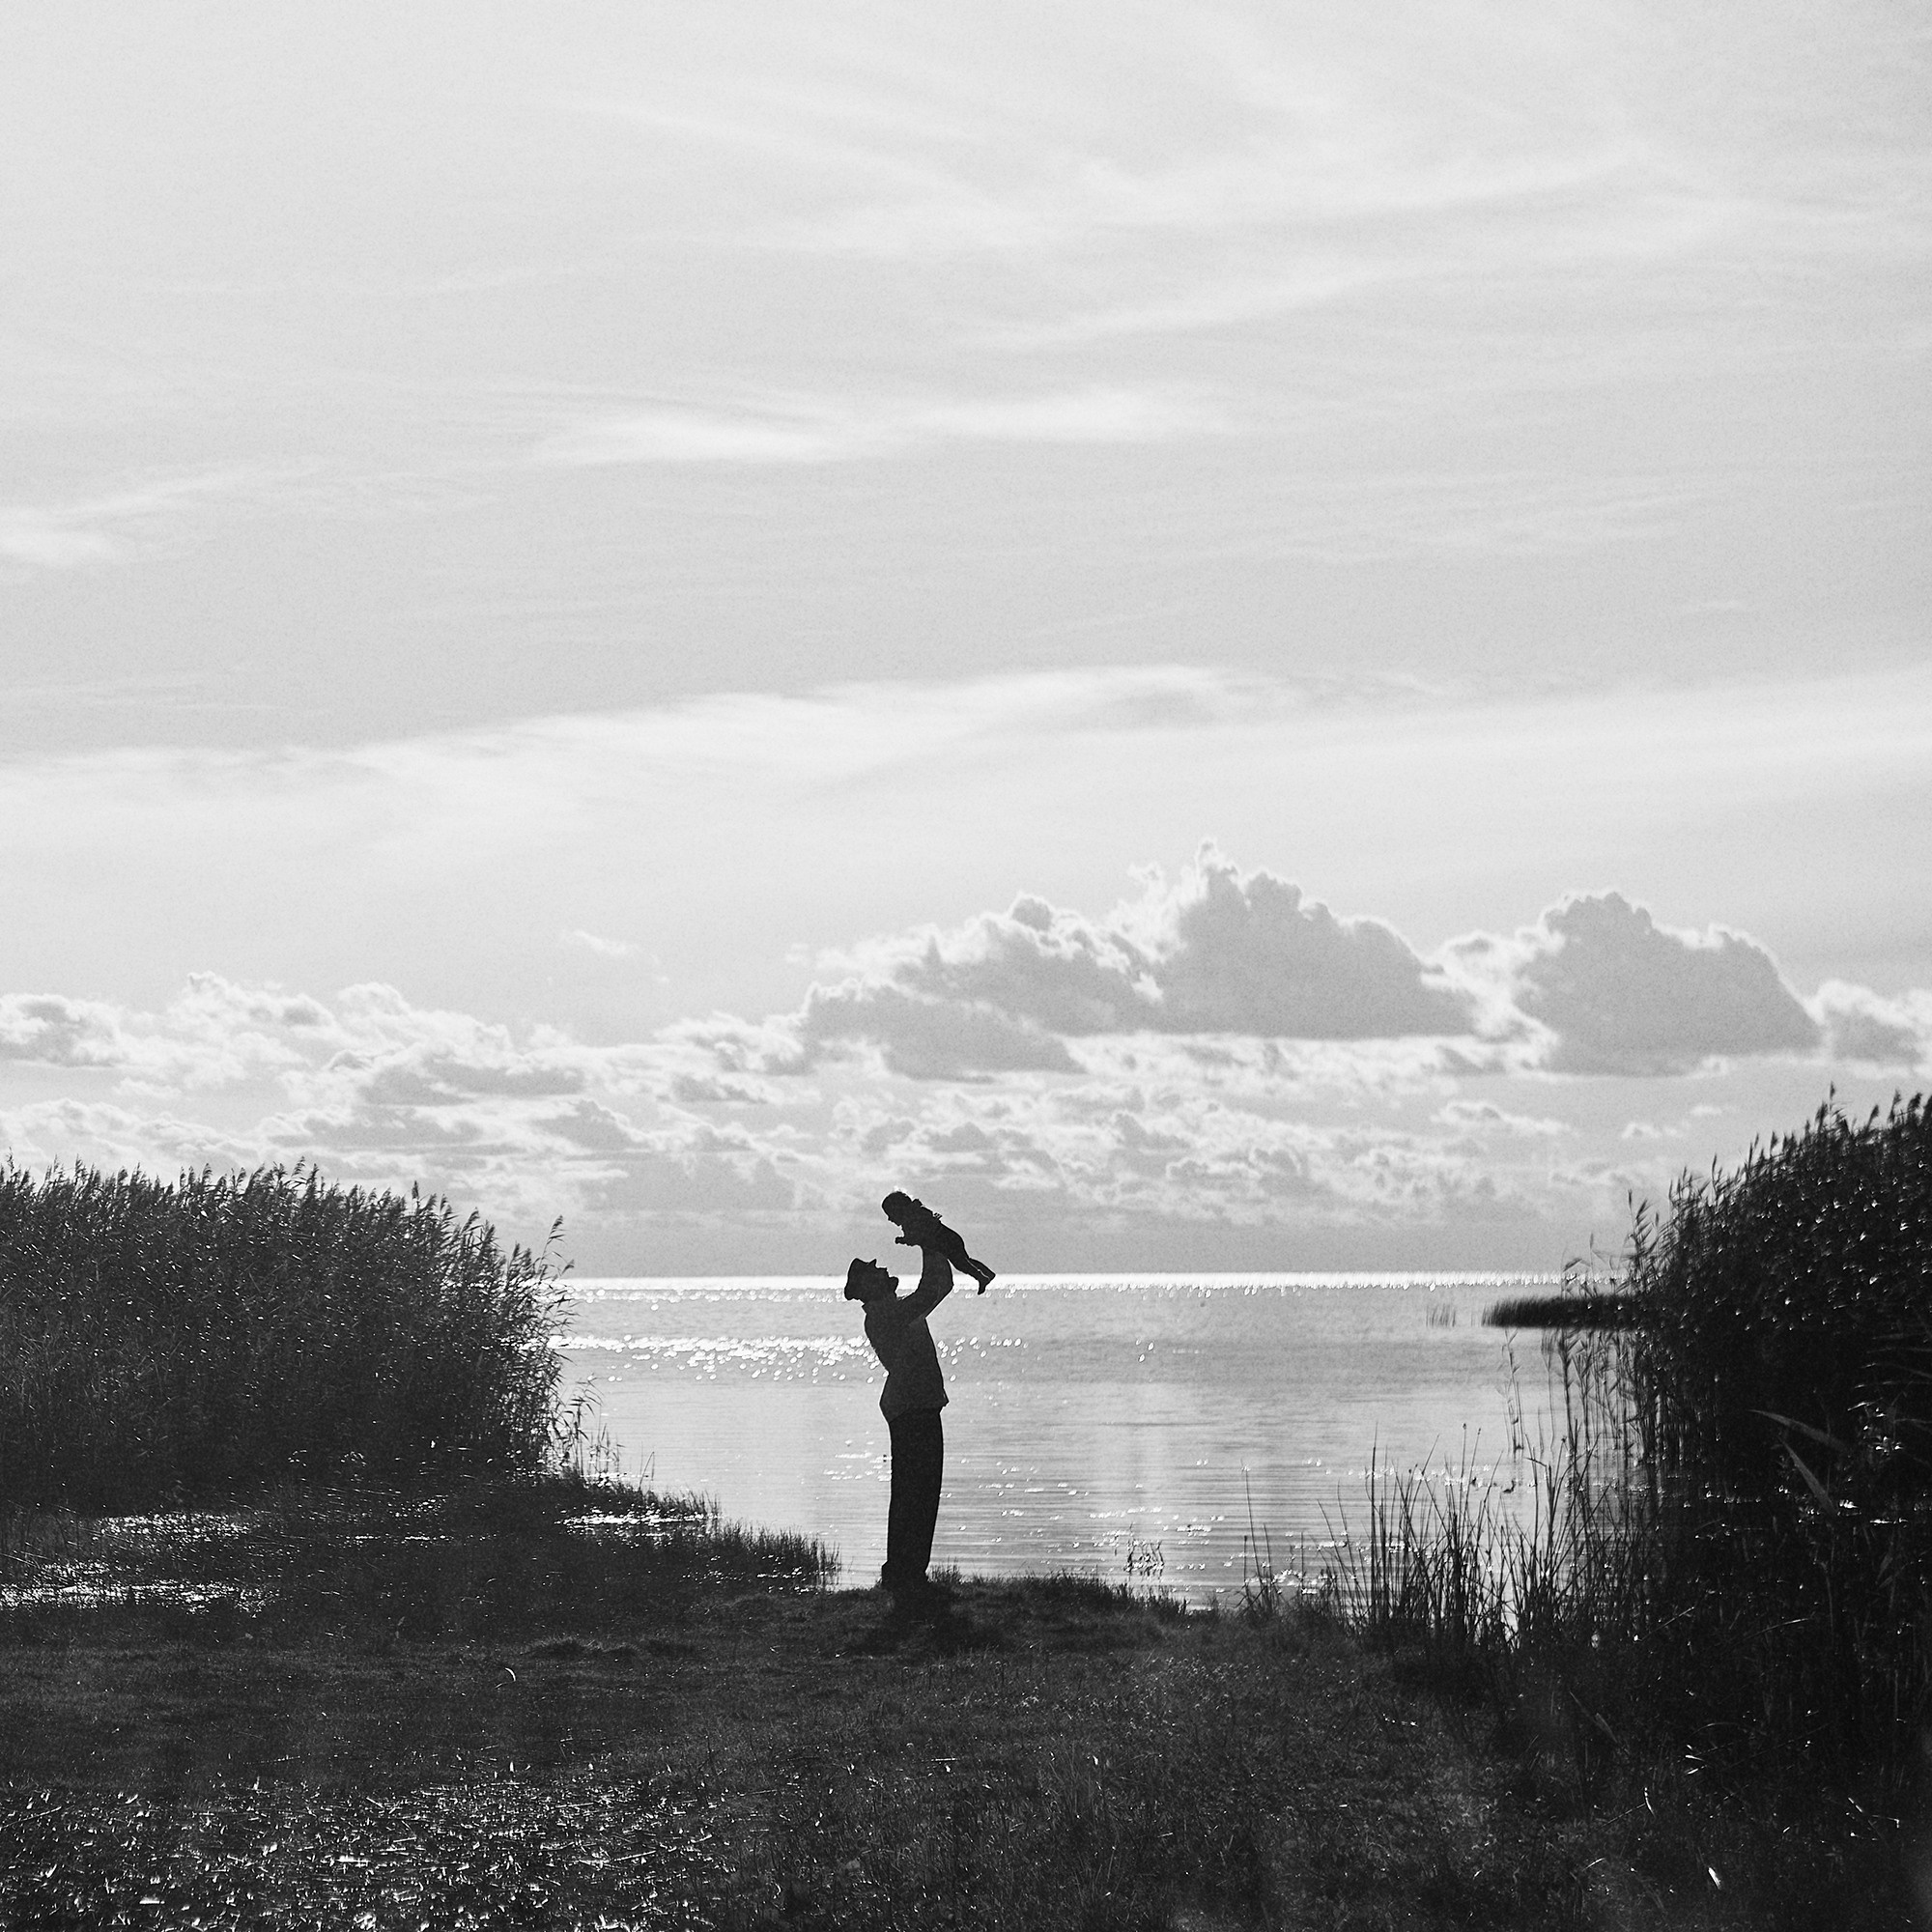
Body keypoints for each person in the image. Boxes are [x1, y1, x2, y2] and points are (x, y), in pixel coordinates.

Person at [845, 1239, 956, 1605]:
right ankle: (904, 1572)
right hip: (912, 1410)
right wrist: (930, 1242)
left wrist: (931, 1242)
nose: (883, 1270)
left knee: (915, 1493)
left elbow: (936, 1289)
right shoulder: (886, 1314)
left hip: (915, 1407)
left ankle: (906, 1571)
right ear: (869, 1288)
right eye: (875, 1272)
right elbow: (936, 1288)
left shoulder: (892, 1310)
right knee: (916, 1493)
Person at [880, 1190, 996, 1292]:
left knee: (961, 1263)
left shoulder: (914, 1218)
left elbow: (918, 1237)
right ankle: (987, 1274)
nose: (890, 1219)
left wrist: (904, 1240)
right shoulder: (912, 1219)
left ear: (899, 1210)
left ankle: (982, 1277)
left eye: (891, 1215)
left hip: (948, 1241)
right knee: (965, 1261)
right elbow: (917, 1237)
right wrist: (906, 1239)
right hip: (950, 1239)